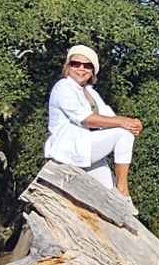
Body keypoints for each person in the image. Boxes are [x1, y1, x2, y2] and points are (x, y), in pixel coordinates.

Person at [44, 44, 142, 197]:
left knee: (109, 195)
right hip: (70, 149)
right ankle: (122, 190)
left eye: (87, 65)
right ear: (68, 67)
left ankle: (120, 206)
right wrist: (125, 123)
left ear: (92, 71)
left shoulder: (90, 92)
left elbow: (109, 117)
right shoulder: (63, 87)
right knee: (123, 133)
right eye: (76, 64)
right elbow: (85, 119)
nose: (81, 68)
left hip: (86, 149)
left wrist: (132, 123)